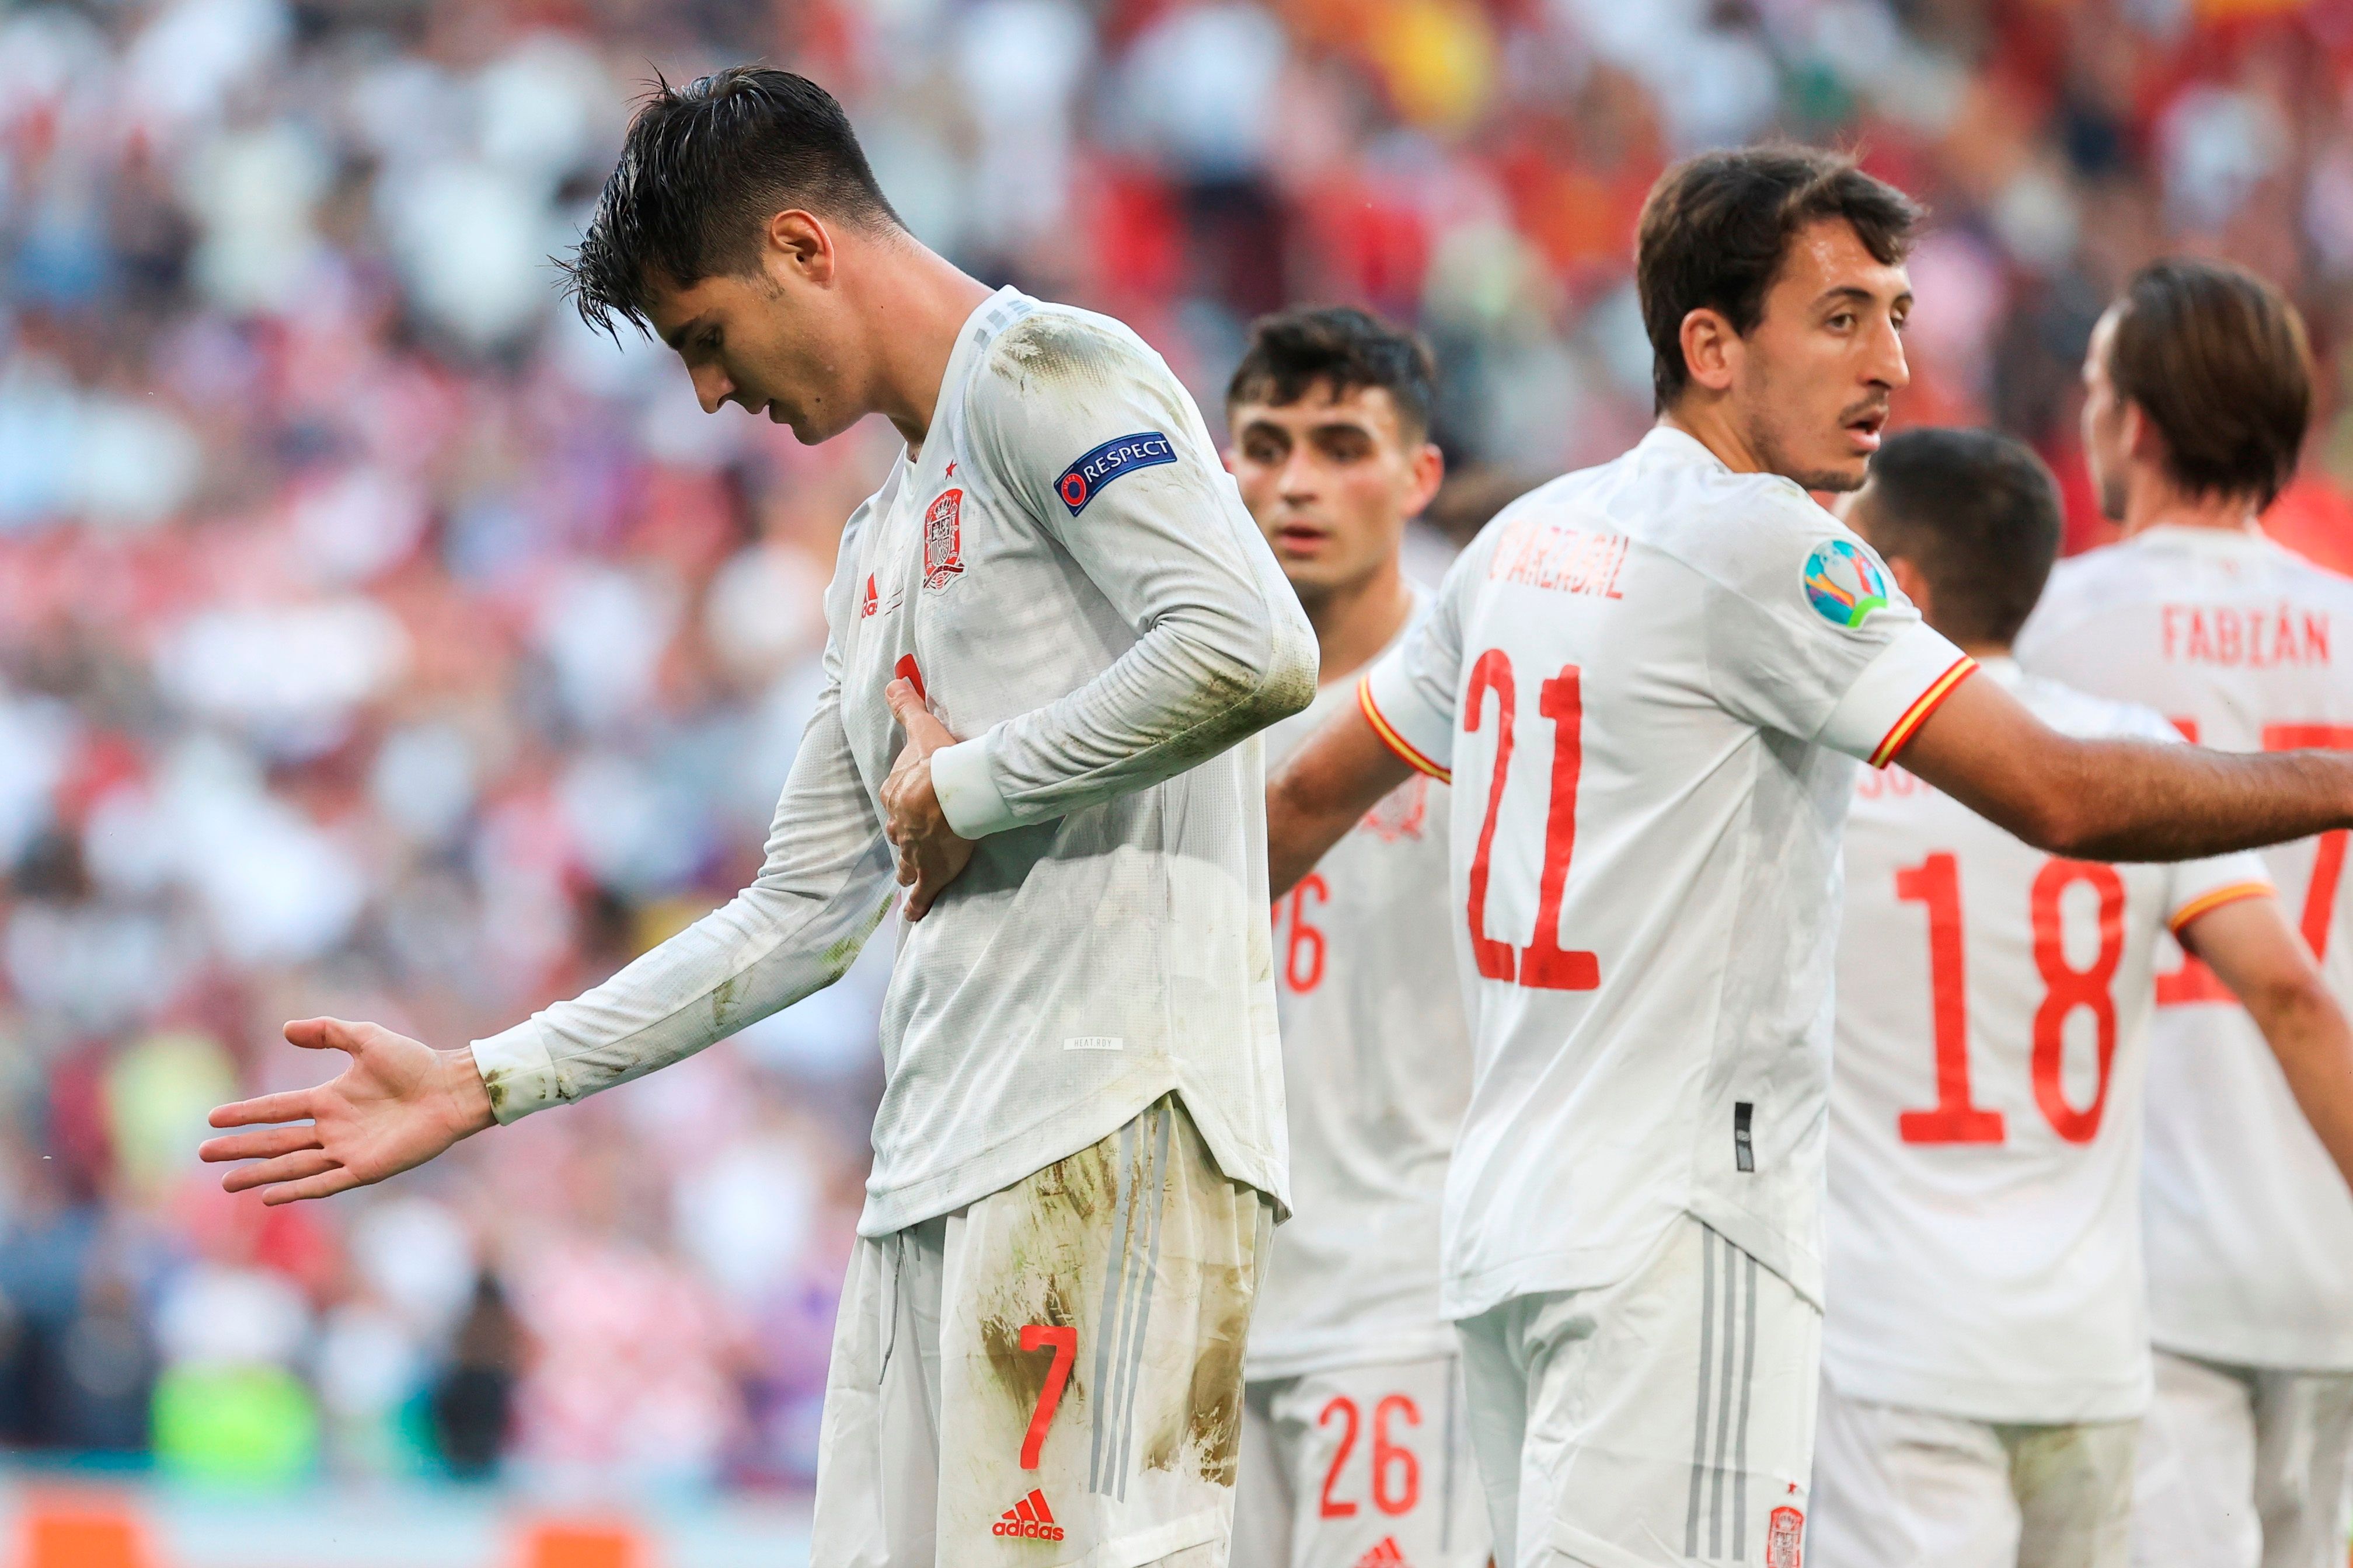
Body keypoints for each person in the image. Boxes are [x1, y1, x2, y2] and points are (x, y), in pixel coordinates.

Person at [200, 67, 1319, 1568]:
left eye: (706, 340)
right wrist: (487, 1079)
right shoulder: (875, 543)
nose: (712, 395)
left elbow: (1253, 646)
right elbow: (798, 911)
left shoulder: (1050, 369)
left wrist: (969, 782)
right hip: (942, 1154)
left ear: (803, 247)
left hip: (1111, 1122)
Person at [1263, 146, 2353, 1568]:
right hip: (1685, 1233)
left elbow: (1294, 806)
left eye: (1896, 314)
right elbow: (2062, 797)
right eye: (1841, 318)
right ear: (1708, 346)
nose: (1892, 361)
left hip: (1505, 1228)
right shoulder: (1769, 545)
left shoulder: (1525, 538)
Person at [1811, 427, 2353, 1568]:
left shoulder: (1822, 778)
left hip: (1893, 1350)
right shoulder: (2136, 755)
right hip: (2093, 1355)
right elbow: (2291, 993)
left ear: (1899, 587)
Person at [2015, 260, 2353, 1568]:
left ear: (2136, 423)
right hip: (2331, 1220)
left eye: (2098, 391)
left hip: (2143, 1238)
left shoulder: (2053, 635)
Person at [1221, 307, 1491, 1568]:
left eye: (1341, 444)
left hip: (1408, 1301)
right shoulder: (1170, 709)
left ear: (1420, 475)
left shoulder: (1493, 696)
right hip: (1208, 1315)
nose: (1297, 484)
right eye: (1266, 446)